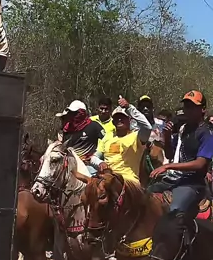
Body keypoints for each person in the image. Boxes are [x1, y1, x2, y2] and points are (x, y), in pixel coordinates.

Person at [148, 90, 213, 222]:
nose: (188, 110)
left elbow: (200, 163)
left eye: (193, 107)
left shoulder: (206, 134)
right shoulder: (183, 129)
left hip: (191, 183)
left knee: (174, 211)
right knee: (143, 196)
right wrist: (167, 136)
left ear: (203, 110)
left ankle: (182, 235)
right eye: (186, 106)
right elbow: (169, 154)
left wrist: (168, 166)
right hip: (172, 180)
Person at [90, 96, 152, 184]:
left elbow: (147, 127)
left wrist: (129, 107)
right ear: (113, 122)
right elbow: (94, 157)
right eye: (116, 117)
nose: (119, 119)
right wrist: (100, 163)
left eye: (122, 117)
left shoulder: (137, 136)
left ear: (129, 120)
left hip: (128, 181)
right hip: (108, 179)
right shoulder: (108, 137)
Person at [60, 100, 104, 174]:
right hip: (70, 166)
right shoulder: (67, 129)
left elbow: (107, 142)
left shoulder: (94, 126)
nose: (72, 116)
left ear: (82, 113)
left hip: (88, 165)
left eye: (75, 113)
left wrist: (96, 156)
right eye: (71, 113)